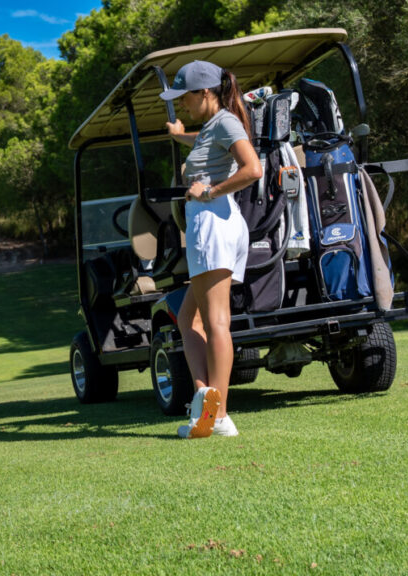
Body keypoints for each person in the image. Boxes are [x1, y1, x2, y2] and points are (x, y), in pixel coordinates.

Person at [159, 61, 262, 439]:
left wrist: (212, 191)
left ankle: (218, 418)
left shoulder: (226, 123)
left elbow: (253, 169)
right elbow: (202, 141)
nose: (182, 103)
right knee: (189, 320)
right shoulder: (210, 128)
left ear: (205, 92)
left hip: (212, 222)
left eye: (185, 96)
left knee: (216, 321)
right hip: (215, 224)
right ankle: (205, 400)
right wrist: (180, 135)